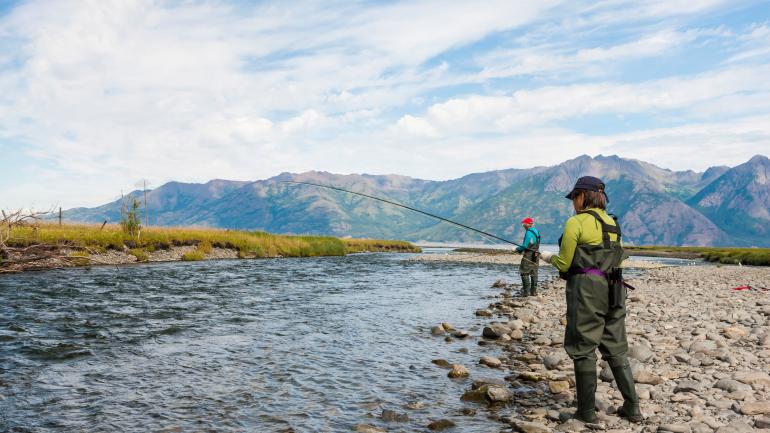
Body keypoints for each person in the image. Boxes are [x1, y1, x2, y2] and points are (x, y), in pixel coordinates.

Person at [539, 176, 642, 424]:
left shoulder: (576, 222)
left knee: (583, 347)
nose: (572, 202)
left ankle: (586, 412)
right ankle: (632, 407)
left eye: (574, 197)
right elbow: (617, 259)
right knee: (616, 348)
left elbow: (564, 262)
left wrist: (546, 257)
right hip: (615, 289)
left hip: (587, 291)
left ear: (583, 196)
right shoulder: (613, 224)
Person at [515, 217, 540, 296]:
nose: (523, 225)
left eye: (524, 224)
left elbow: (525, 246)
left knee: (524, 272)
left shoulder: (528, 233)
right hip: (536, 254)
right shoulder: (536, 231)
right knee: (534, 272)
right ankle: (534, 292)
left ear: (528, 224)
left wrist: (517, 249)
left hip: (529, 254)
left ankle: (526, 292)